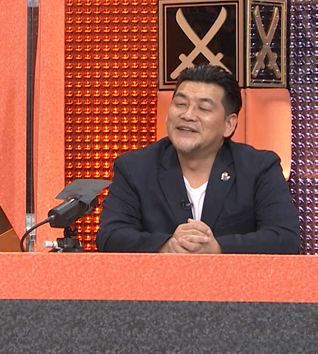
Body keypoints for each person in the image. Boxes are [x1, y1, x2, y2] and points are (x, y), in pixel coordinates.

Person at [96, 64, 299, 254]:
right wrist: (167, 246)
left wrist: (218, 248)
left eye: (203, 108)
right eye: (180, 104)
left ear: (229, 124)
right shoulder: (135, 167)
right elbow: (110, 236)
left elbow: (286, 239)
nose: (188, 115)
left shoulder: (259, 168)